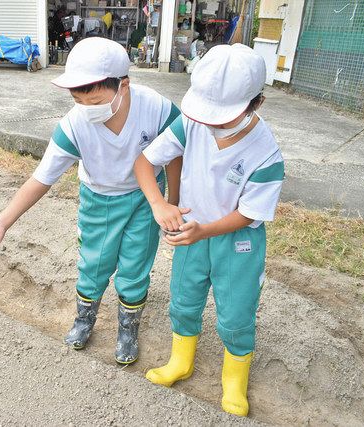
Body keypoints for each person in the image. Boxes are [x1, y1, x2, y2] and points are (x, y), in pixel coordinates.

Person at [0, 37, 182, 365]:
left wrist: (173, 200)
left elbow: (174, 155)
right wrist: (2, 222)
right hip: (98, 199)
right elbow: (40, 179)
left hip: (145, 199)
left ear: (123, 86)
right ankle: (85, 319)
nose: (86, 108)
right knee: (94, 264)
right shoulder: (74, 126)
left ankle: (128, 328)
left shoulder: (157, 108)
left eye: (96, 99)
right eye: (77, 99)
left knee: (134, 267)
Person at [133, 44, 284, 416]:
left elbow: (249, 215)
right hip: (192, 232)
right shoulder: (192, 122)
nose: (212, 123)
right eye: (208, 114)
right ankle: (180, 361)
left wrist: (204, 231)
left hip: (236, 241)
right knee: (183, 298)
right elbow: (145, 160)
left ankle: (234, 381)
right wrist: (160, 203)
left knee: (235, 313)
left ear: (257, 103)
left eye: (223, 116)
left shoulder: (266, 154)